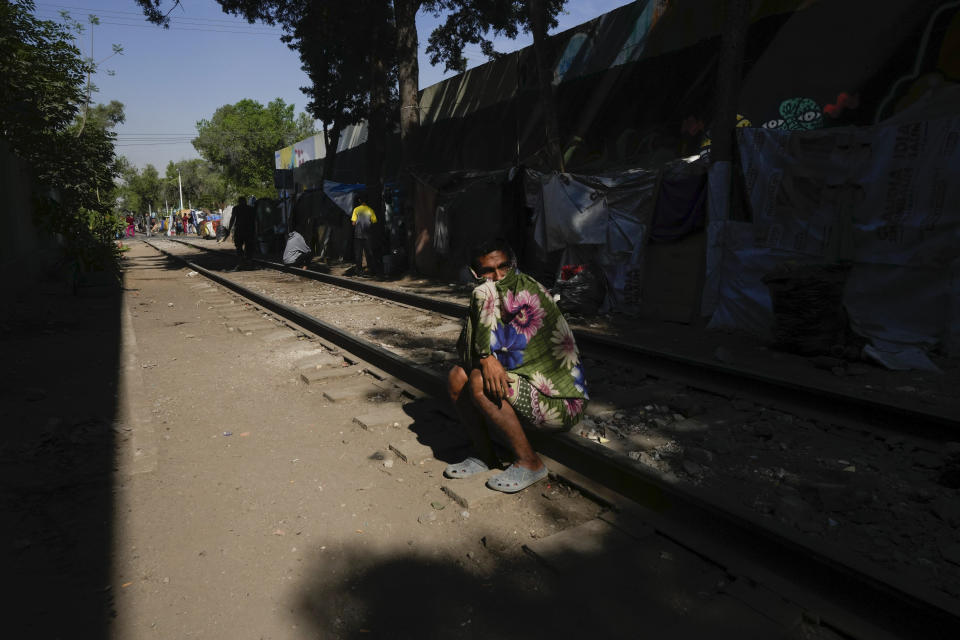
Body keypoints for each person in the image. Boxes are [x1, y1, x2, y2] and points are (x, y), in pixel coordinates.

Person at [446, 238, 588, 493]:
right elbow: (467, 355)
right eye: (488, 271)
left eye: (503, 267)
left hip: (560, 400)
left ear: (513, 265)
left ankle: (530, 462)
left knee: (479, 379)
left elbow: (490, 355)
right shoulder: (489, 295)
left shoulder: (526, 292)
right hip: (527, 386)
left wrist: (486, 357)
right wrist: (485, 357)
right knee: (458, 376)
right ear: (475, 273)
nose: (498, 276)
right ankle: (485, 455)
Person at [350, 195, 377, 275]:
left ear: (359, 200)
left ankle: (359, 270)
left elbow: (353, 223)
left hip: (358, 235)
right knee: (369, 253)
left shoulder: (356, 209)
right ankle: (370, 269)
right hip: (368, 235)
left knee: (358, 253)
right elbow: (374, 221)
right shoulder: (370, 210)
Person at [230, 196, 256, 267]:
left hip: (239, 229)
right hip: (249, 229)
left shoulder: (236, 208)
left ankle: (241, 260)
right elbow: (255, 220)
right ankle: (248, 260)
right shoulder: (251, 209)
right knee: (248, 245)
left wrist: (229, 228)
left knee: (239, 245)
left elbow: (232, 219)